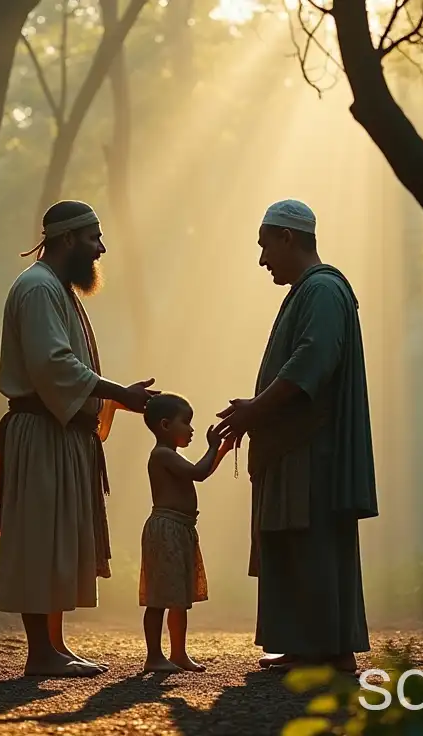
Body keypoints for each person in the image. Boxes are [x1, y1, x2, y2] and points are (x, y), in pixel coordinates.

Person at [0, 199, 158, 677]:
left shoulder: (59, 290)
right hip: (41, 431)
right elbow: (55, 366)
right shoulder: (38, 289)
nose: (100, 248)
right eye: (93, 238)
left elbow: (69, 372)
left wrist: (121, 399)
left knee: (58, 541)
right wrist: (115, 391)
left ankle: (55, 647)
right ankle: (40, 655)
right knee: (40, 540)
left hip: (60, 431)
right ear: (67, 240)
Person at [215, 199, 378, 673]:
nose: (263, 259)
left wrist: (254, 410)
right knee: (293, 541)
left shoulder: (323, 290)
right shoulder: (309, 292)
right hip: (296, 446)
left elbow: (312, 361)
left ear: (288, 238)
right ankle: (307, 645)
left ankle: (328, 649)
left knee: (313, 541)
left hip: (313, 449)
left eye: (266, 246)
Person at [138, 393, 236, 674]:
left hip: (181, 528)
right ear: (166, 425)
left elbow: (202, 470)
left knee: (179, 597)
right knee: (159, 597)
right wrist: (213, 446)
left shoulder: (172, 457)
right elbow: (199, 473)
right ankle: (154, 655)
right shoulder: (162, 455)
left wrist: (222, 450)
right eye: (187, 423)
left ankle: (178, 653)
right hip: (166, 529)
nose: (191, 429)